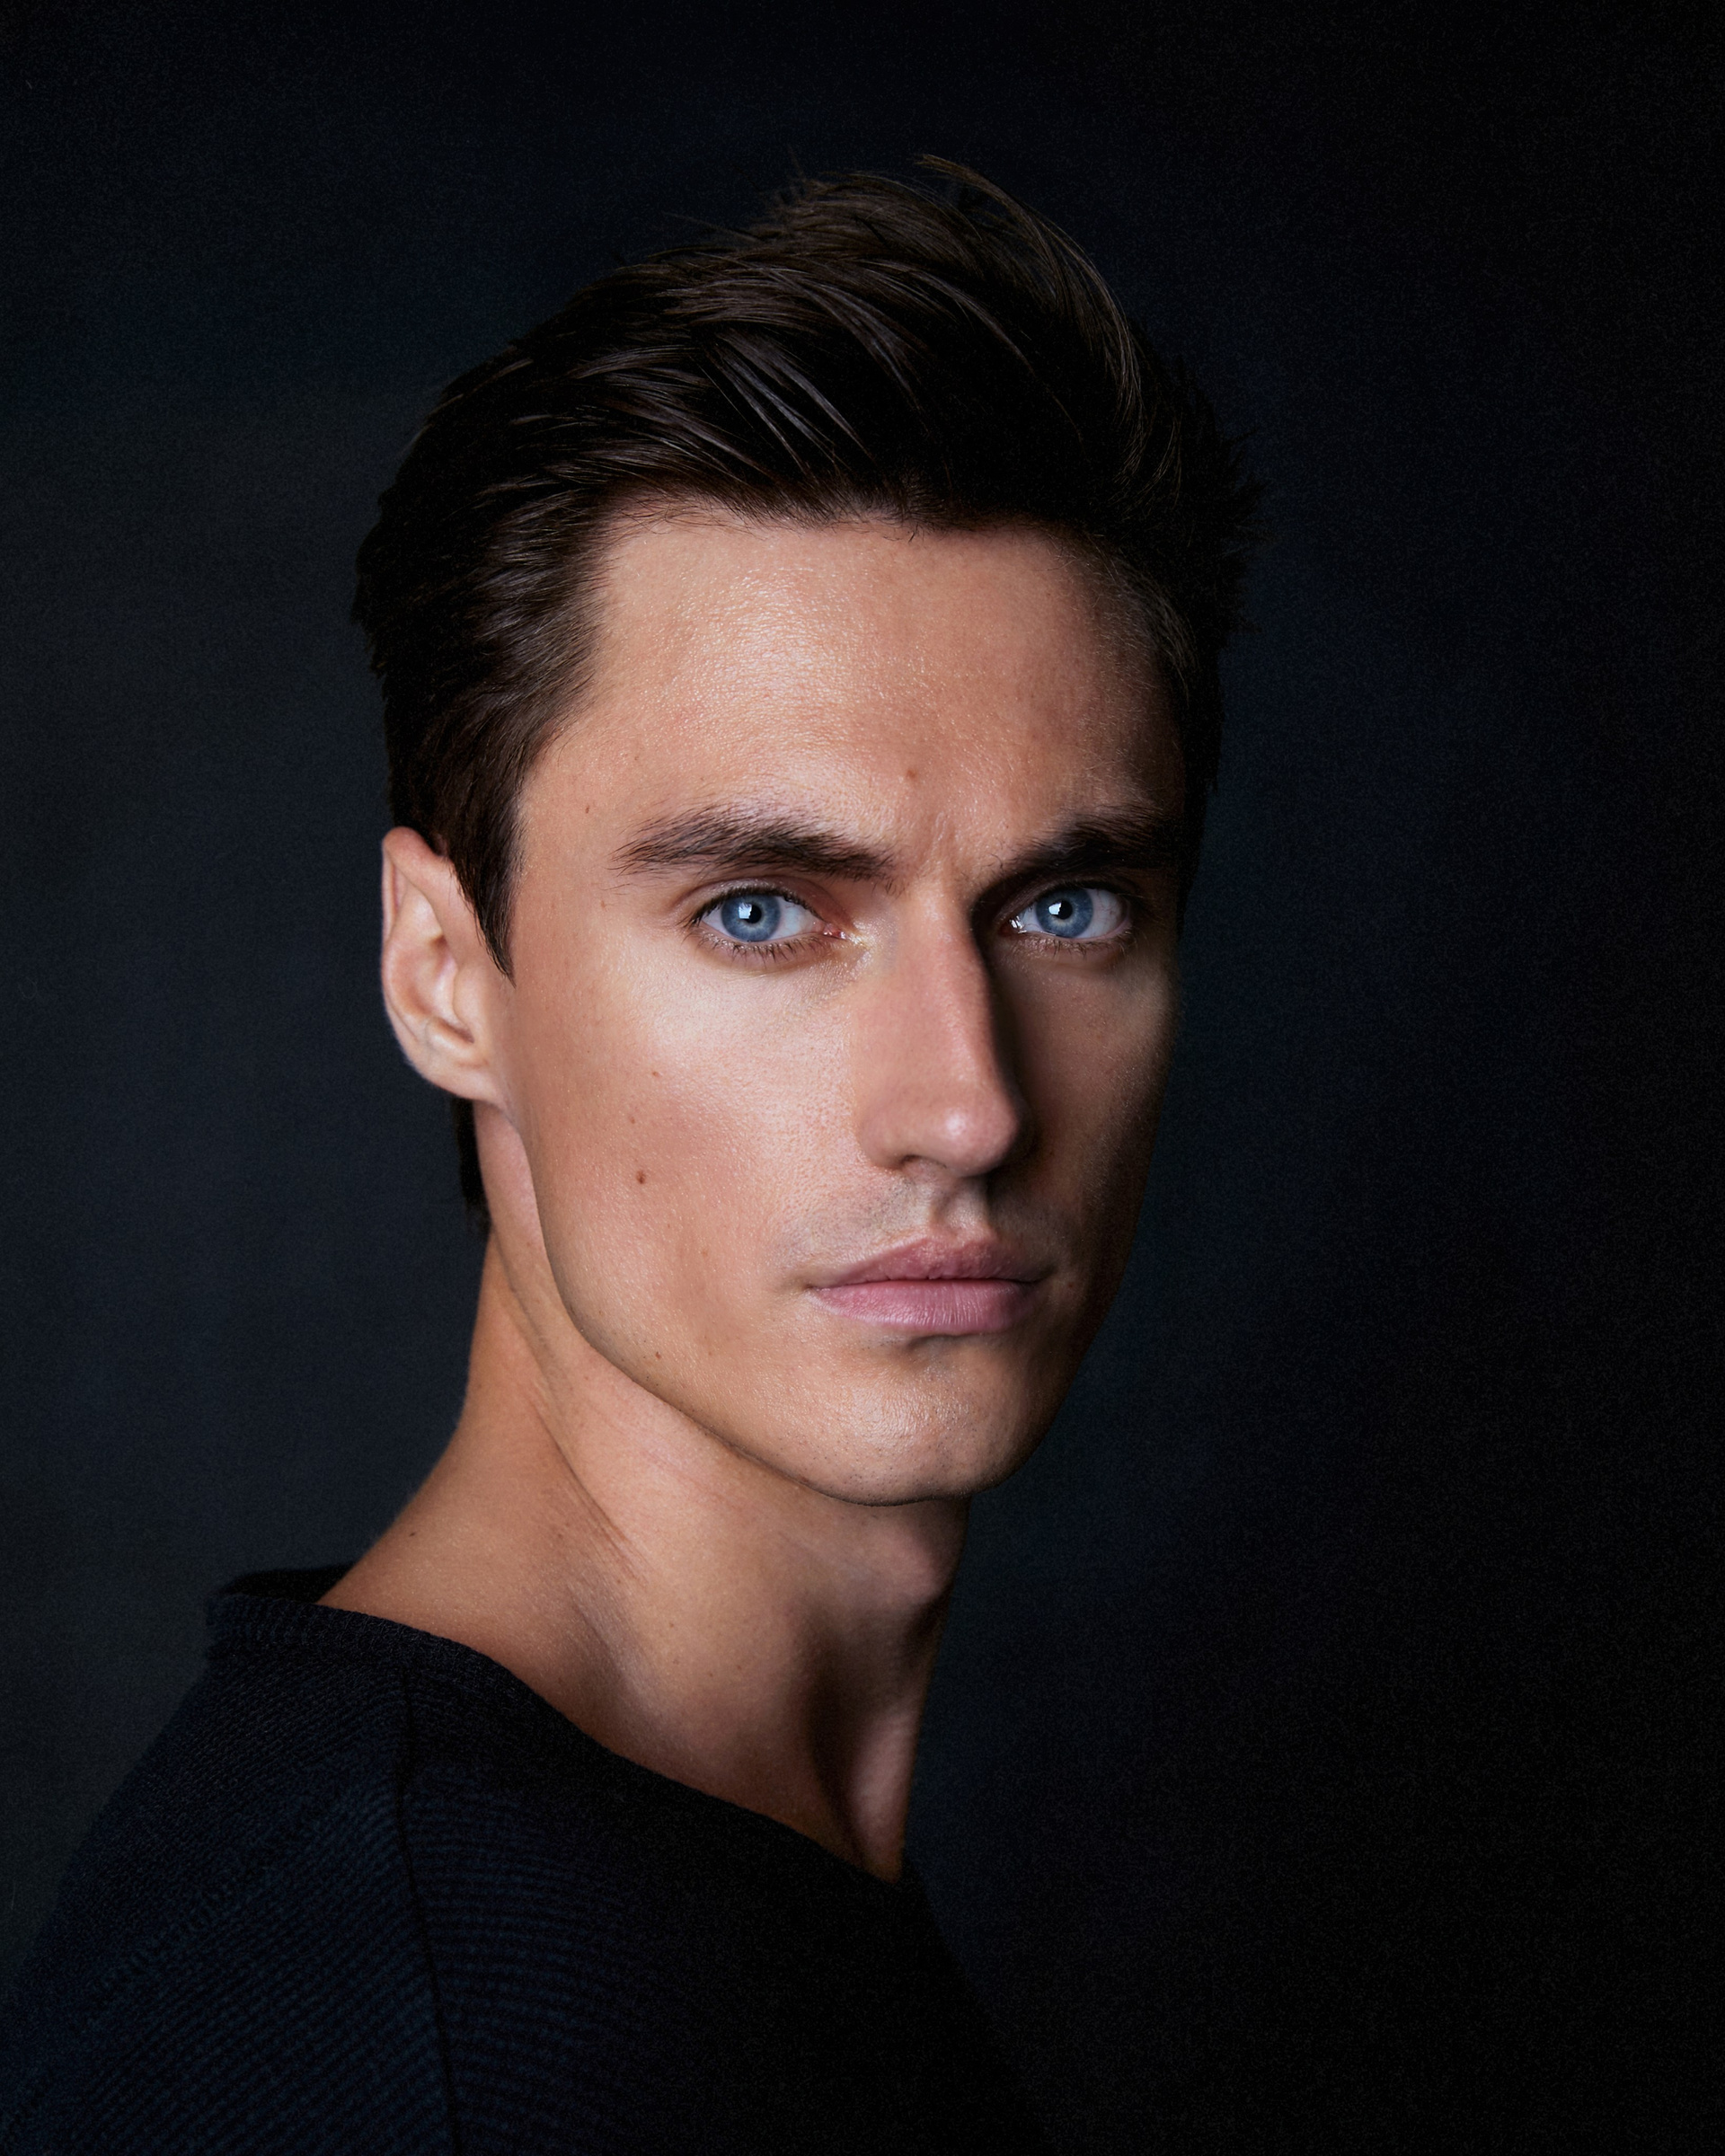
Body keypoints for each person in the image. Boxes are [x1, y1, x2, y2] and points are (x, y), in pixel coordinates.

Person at [0, 163, 1256, 2152]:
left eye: (1065, 907)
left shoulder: (669, 1904)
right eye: (763, 912)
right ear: (447, 974)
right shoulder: (430, 2055)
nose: (969, 1107)